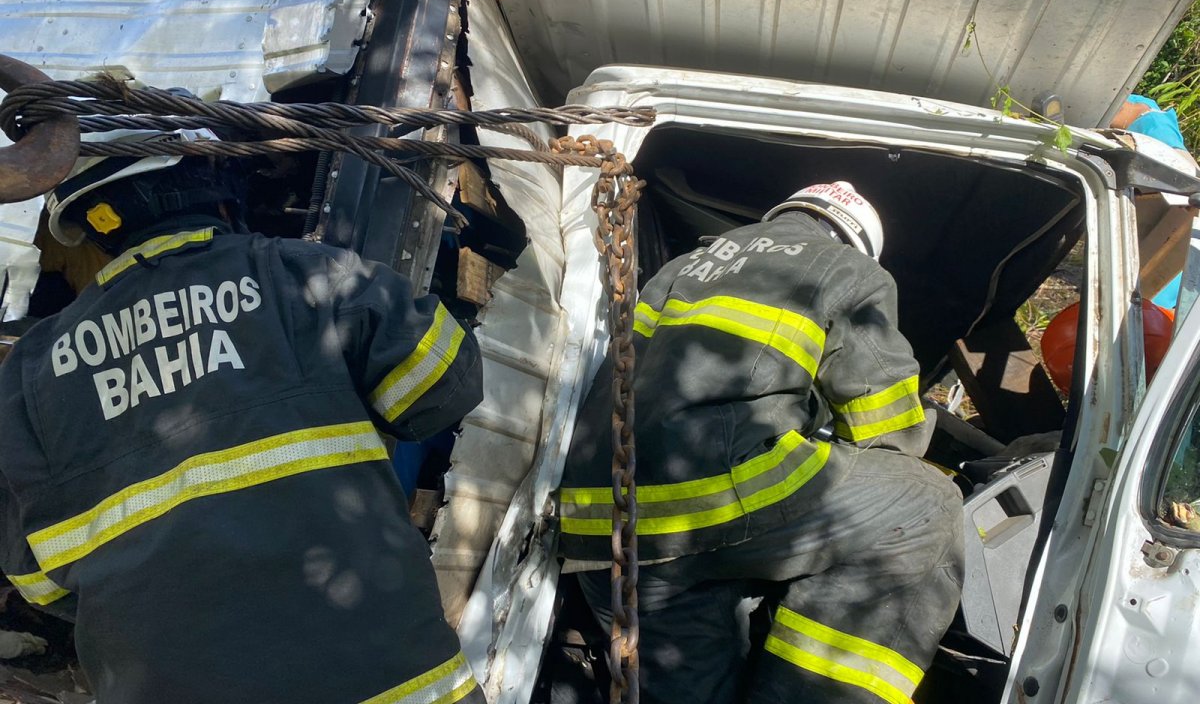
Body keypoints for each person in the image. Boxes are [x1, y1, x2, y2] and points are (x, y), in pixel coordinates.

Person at [0, 128, 485, 704]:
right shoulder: (303, 275)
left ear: (98, 227)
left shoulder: (27, 376)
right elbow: (444, 384)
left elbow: (36, 579)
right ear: (213, 181)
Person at [559, 181, 964, 704]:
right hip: (707, 499)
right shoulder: (847, 268)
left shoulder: (686, 265)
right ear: (855, 239)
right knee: (925, 505)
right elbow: (888, 432)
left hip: (601, 525)